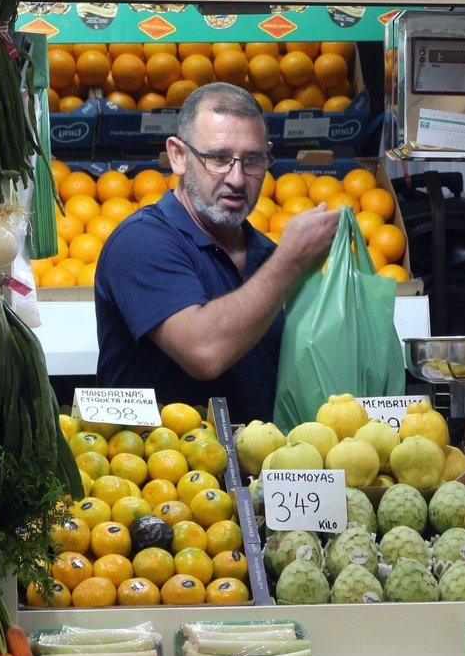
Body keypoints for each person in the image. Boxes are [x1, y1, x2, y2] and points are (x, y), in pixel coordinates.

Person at [95, 82, 341, 423]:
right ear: (179, 156)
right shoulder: (140, 242)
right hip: (163, 470)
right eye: (219, 159)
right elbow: (204, 353)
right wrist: (292, 260)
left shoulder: (268, 256)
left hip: (262, 469)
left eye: (252, 160)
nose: (237, 179)